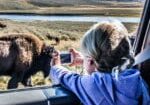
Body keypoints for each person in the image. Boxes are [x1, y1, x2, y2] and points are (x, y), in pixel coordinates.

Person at [50, 21, 150, 105]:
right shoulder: (136, 79)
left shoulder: (94, 85)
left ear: (90, 61)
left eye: (86, 57)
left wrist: (56, 66)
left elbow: (67, 78)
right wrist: (87, 60)